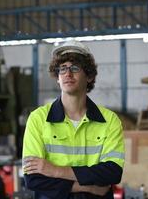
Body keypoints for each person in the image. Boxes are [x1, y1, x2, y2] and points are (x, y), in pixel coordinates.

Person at [22, 40, 125, 199]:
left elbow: (112, 173)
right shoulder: (38, 119)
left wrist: (55, 171)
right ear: (57, 77)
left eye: (75, 68)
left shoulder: (109, 121)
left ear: (89, 76)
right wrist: (90, 187)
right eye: (62, 69)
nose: (67, 74)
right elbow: (33, 179)